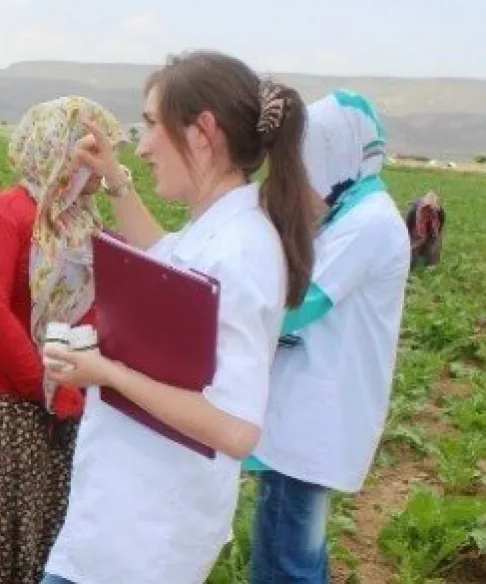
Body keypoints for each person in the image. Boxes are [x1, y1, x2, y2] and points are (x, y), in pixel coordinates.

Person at [39, 50, 317, 584]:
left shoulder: (241, 251)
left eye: (150, 126)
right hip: (127, 518)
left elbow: (236, 430)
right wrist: (116, 182)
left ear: (202, 131)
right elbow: (166, 259)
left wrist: (107, 371)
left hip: (145, 537)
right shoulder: (218, 229)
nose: (141, 147)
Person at [0, 96, 124, 583]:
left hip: (70, 402)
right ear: (56, 153)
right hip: (10, 409)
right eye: (85, 155)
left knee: (54, 532)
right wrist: (46, 386)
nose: (96, 170)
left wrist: (83, 383)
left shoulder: (83, 220)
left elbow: (102, 301)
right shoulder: (6, 214)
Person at [245, 90, 411, 583]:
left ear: (331, 157)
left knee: (287, 563)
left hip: (315, 424)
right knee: (293, 553)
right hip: (304, 418)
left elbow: (297, 306)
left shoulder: (370, 223)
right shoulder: (348, 213)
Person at [405, 190, 444, 269]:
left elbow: (440, 226)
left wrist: (432, 237)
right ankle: (411, 267)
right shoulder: (413, 212)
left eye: (432, 208)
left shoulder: (439, 212)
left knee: (434, 247)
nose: (429, 210)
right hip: (417, 229)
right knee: (414, 248)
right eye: (427, 207)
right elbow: (408, 227)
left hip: (432, 230)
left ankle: (431, 266)